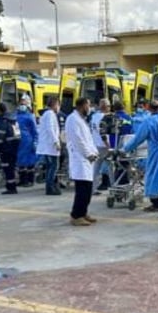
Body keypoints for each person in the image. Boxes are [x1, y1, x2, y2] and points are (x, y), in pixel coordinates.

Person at [123, 99, 158, 212]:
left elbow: (137, 139)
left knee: (153, 176)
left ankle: (156, 204)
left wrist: (124, 149)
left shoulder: (148, 121)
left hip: (154, 152)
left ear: (148, 107)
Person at [66, 97, 99, 226]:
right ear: (83, 105)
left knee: (88, 189)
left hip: (87, 159)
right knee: (82, 190)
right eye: (88, 105)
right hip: (80, 159)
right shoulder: (73, 119)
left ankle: (83, 212)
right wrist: (88, 154)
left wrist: (94, 152)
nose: (89, 108)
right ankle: (76, 215)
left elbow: (88, 139)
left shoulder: (81, 120)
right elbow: (78, 140)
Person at [0, 102, 21, 195]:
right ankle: (12, 186)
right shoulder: (13, 119)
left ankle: (11, 187)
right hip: (14, 147)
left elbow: (0, 136)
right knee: (11, 167)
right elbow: (18, 134)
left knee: (7, 168)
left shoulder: (2, 120)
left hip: (6, 148)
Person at [36, 97, 62, 195]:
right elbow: (51, 129)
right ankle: (50, 187)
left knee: (50, 167)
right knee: (53, 167)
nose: (58, 107)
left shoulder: (46, 114)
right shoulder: (50, 115)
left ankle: (51, 186)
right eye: (58, 105)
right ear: (55, 104)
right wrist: (56, 142)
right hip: (50, 146)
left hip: (47, 146)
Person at [14, 97, 38, 187]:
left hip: (28, 141)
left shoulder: (30, 116)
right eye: (21, 104)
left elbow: (34, 130)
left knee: (29, 161)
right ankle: (22, 180)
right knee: (20, 161)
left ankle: (30, 180)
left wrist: (35, 142)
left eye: (24, 104)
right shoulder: (15, 116)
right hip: (19, 140)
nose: (22, 106)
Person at [91, 98, 111, 192]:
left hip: (95, 144)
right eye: (109, 106)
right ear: (106, 107)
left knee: (95, 168)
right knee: (111, 166)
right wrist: (108, 145)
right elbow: (103, 133)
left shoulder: (94, 116)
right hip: (104, 145)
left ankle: (92, 188)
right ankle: (114, 188)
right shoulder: (105, 117)